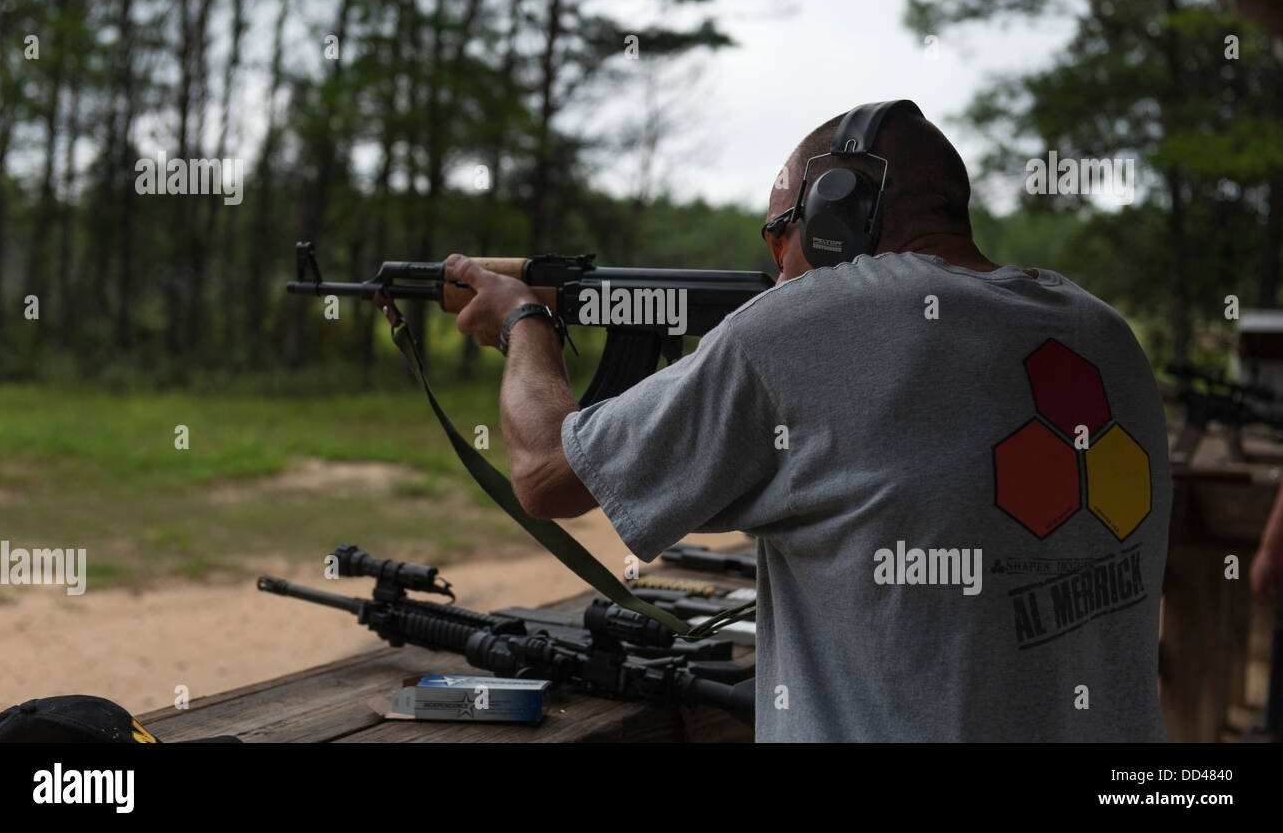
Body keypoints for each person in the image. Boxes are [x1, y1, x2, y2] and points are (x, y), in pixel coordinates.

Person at [444, 100, 1172, 742]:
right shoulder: (1105, 332)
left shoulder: (809, 327)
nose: (777, 267)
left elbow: (546, 472)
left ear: (834, 215)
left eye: (777, 235)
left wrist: (524, 320)